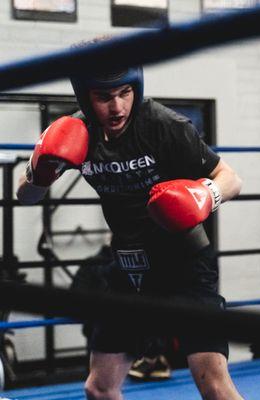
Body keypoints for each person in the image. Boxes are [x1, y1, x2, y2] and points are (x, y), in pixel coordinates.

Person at [16, 39, 243, 400]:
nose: (117, 106)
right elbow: (24, 195)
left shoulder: (165, 126)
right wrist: (38, 171)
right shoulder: (75, 134)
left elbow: (231, 178)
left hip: (184, 266)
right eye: (105, 97)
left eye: (125, 93)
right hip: (127, 269)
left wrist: (204, 196)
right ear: (85, 96)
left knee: (213, 384)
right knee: (99, 387)